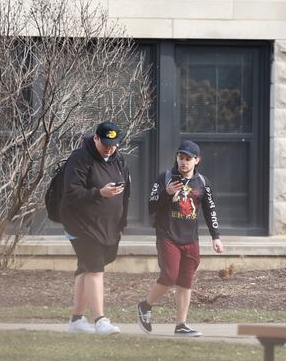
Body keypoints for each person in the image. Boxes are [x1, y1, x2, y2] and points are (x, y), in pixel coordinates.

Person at [137, 140, 224, 337]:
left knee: (186, 280)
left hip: (190, 238)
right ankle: (145, 306)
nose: (183, 162)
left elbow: (210, 210)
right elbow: (150, 207)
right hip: (167, 235)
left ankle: (181, 325)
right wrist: (166, 194)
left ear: (197, 160)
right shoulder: (165, 178)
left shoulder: (202, 182)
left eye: (188, 159)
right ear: (176, 158)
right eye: (180, 158)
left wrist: (216, 237)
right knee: (169, 276)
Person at [62, 121, 130, 335]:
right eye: (106, 144)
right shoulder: (80, 158)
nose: (110, 148)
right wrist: (99, 193)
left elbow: (125, 195)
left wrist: (122, 222)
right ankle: (101, 320)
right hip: (81, 225)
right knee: (94, 270)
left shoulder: (118, 160)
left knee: (85, 269)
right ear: (96, 138)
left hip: (108, 226)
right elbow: (71, 193)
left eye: (114, 144)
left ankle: (76, 320)